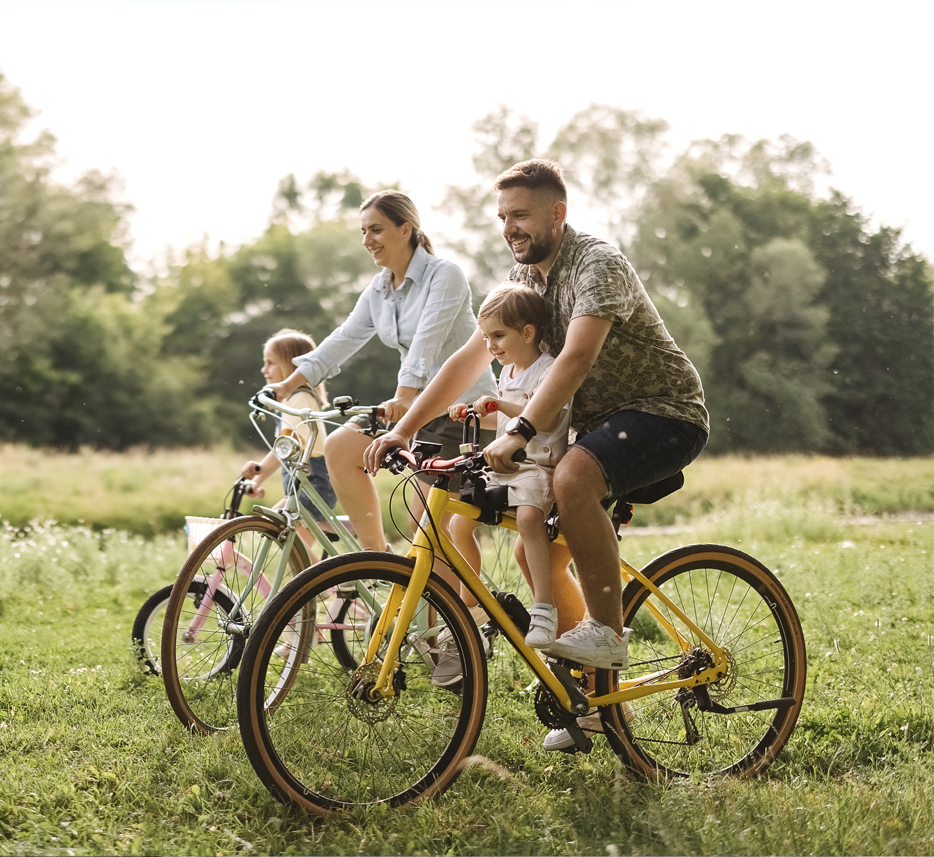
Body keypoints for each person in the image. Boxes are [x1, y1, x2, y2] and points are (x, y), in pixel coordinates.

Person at [364, 159, 709, 750]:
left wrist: (519, 431)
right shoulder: (522, 278)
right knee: (537, 555)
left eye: (520, 215)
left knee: (575, 478)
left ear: (558, 213)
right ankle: (591, 701)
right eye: (502, 217)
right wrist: (407, 427)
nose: (509, 228)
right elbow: (471, 359)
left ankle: (608, 632)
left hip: (663, 412)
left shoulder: (597, 263)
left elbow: (575, 358)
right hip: (591, 424)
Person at [264, 189, 498, 687]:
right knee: (344, 446)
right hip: (412, 407)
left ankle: (468, 628)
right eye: (364, 231)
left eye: (376, 229)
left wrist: (404, 395)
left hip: (461, 411)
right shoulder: (379, 289)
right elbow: (345, 337)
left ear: (405, 229)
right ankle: (380, 565)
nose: (368, 239)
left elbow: (430, 342)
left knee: (439, 532)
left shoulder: (445, 275)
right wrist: (292, 381)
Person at [446, 283, 575, 648]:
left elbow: (546, 421)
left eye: (498, 336)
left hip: (539, 466)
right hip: (506, 465)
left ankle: (544, 608)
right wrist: (475, 412)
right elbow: (503, 425)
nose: (491, 346)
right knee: (459, 521)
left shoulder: (547, 369)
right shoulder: (509, 373)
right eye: (486, 337)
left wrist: (499, 405)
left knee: (530, 520)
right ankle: (470, 604)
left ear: (528, 332)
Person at [240, 330, 339, 545]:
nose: (264, 369)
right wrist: (256, 479)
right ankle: (324, 576)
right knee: (292, 546)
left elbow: (284, 449)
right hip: (306, 486)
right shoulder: (289, 403)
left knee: (279, 532)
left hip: (314, 485)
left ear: (291, 366)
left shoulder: (300, 399)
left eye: (270, 363)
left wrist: (258, 475)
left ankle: (323, 578)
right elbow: (281, 450)